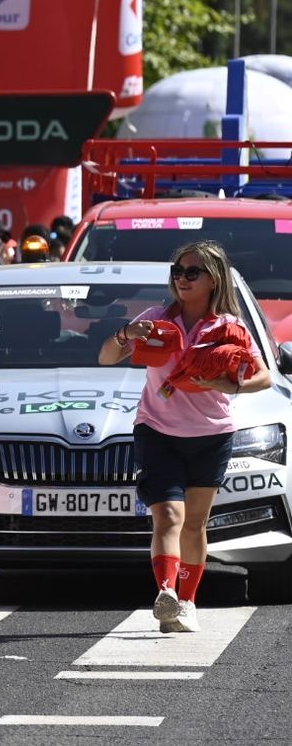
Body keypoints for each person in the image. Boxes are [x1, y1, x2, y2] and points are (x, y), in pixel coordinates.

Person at [98, 241, 272, 632]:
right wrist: (126, 333)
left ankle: (188, 602)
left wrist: (230, 385)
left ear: (214, 279)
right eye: (177, 271)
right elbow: (105, 357)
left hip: (211, 434)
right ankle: (166, 593)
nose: (182, 278)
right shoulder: (155, 319)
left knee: (195, 523)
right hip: (157, 430)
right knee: (168, 516)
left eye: (192, 272)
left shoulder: (229, 327)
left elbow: (263, 377)